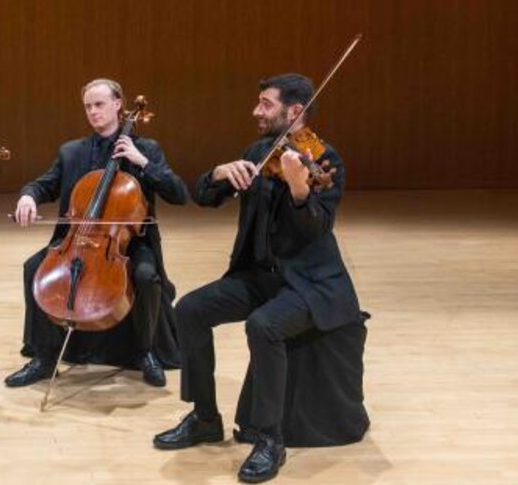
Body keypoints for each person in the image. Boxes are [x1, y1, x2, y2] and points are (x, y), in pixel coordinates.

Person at [152, 73, 363, 484]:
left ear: (295, 110)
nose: (256, 111)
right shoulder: (258, 151)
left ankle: (270, 439)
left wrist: (302, 191)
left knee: (263, 325)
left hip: (309, 284)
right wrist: (216, 173)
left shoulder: (324, 160)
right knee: (190, 309)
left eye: (266, 104)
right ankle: (204, 417)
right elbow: (205, 197)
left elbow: (316, 229)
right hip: (259, 276)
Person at [5, 78, 188, 388]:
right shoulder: (72, 151)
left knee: (145, 276)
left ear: (118, 105)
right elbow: (43, 184)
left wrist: (141, 161)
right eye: (88, 106)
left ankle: (145, 352)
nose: (93, 111)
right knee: (33, 267)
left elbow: (179, 193)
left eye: (99, 104)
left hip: (128, 245)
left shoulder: (146, 148)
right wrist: (28, 196)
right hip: (76, 240)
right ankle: (44, 358)